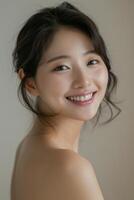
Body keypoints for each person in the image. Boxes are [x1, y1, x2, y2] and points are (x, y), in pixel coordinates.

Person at [10, 1, 121, 200]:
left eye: (91, 61)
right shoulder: (71, 168)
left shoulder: (28, 146)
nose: (84, 80)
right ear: (30, 83)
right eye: (61, 67)